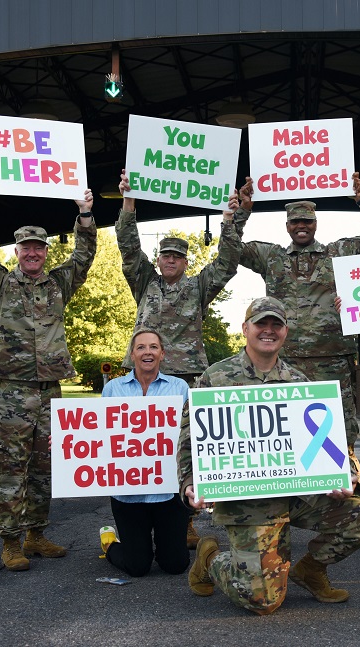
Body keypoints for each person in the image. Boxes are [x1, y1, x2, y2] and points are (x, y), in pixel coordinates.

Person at [178, 297, 360, 615]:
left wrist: (342, 473)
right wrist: (191, 481)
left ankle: (310, 571)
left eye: (277, 324)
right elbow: (190, 440)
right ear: (245, 328)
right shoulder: (215, 379)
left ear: (285, 332)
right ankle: (211, 558)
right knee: (263, 602)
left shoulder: (298, 382)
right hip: (248, 501)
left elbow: (320, 439)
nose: (269, 330)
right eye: (261, 323)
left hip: (296, 493)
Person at [232, 174, 360, 544]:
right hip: (283, 366)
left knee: (341, 437)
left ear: (315, 224)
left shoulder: (338, 253)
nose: (301, 227)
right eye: (295, 222)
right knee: (283, 438)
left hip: (332, 361)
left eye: (307, 221)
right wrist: (242, 211)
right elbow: (231, 249)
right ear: (287, 225)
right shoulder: (271, 256)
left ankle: (355, 511)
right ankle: (278, 515)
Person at [0, 179, 96, 571]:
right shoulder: (0, 282)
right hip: (12, 391)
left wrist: (84, 212)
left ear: (44, 251)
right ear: (17, 251)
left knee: (44, 466)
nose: (33, 253)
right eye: (26, 248)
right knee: (9, 466)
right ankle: (10, 541)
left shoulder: (58, 284)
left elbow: (85, 254)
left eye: (39, 248)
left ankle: (36, 534)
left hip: (50, 390)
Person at [116, 171, 243, 548]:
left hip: (186, 377)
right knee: (139, 445)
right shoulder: (144, 281)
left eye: (177, 256)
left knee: (185, 449)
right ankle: (137, 512)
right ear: (158, 259)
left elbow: (227, 263)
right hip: (141, 378)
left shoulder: (198, 286)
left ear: (186, 262)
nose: (170, 260)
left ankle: (184, 519)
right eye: (165, 255)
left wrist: (228, 221)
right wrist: (128, 202)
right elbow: (126, 245)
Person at [100, 329, 190, 577]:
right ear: (132, 354)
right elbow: (96, 431)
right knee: (137, 567)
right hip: (128, 494)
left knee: (175, 565)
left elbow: (191, 429)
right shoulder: (113, 389)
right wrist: (68, 442)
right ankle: (109, 543)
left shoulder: (179, 387)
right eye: (141, 347)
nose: (147, 352)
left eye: (153, 347)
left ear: (162, 353)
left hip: (168, 492)